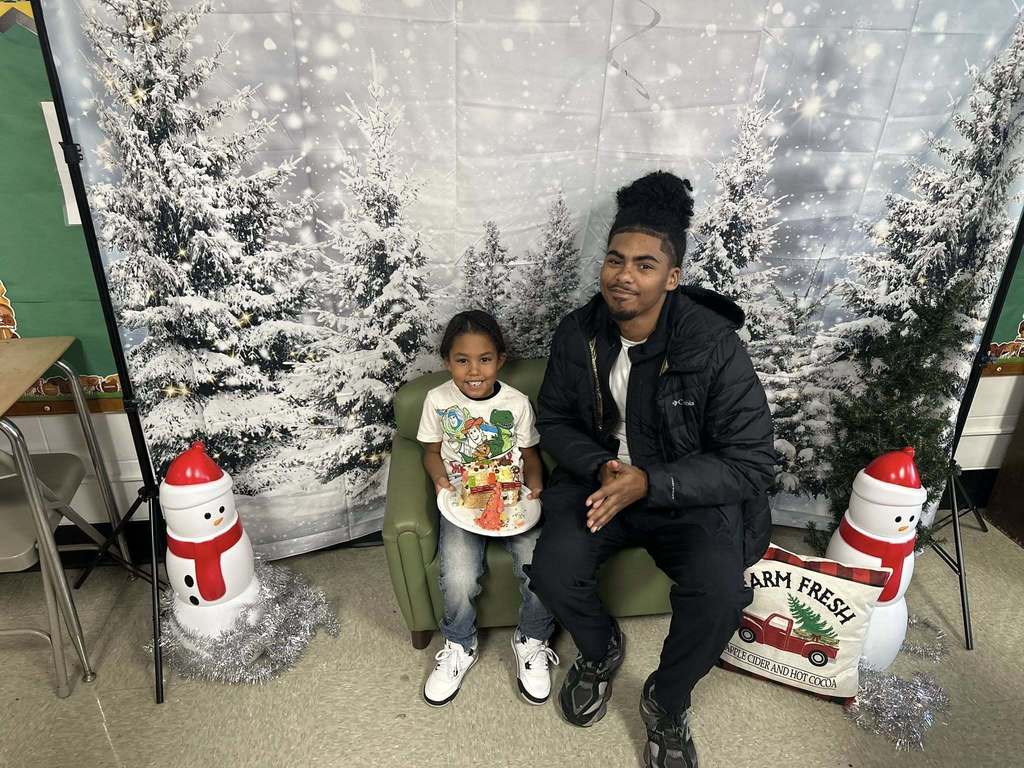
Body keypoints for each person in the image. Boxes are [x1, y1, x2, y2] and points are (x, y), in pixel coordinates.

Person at [526, 172, 775, 768]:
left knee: (720, 594)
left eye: (643, 264)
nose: (624, 275)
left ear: (672, 276)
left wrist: (653, 480)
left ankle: (666, 699)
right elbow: (554, 418)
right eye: (615, 260)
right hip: (601, 480)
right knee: (553, 574)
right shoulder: (578, 333)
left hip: (683, 492)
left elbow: (750, 461)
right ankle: (599, 648)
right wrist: (604, 464)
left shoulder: (712, 343)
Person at [416, 310, 558, 707]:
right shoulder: (437, 400)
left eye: (484, 359)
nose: (473, 370)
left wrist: (536, 484)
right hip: (461, 502)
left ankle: (532, 638)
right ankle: (460, 644)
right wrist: (440, 480)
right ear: (447, 362)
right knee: (459, 576)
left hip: (512, 500)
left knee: (538, 565)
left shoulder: (515, 403)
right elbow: (430, 451)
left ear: (500, 359)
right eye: (462, 360)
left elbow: (530, 454)